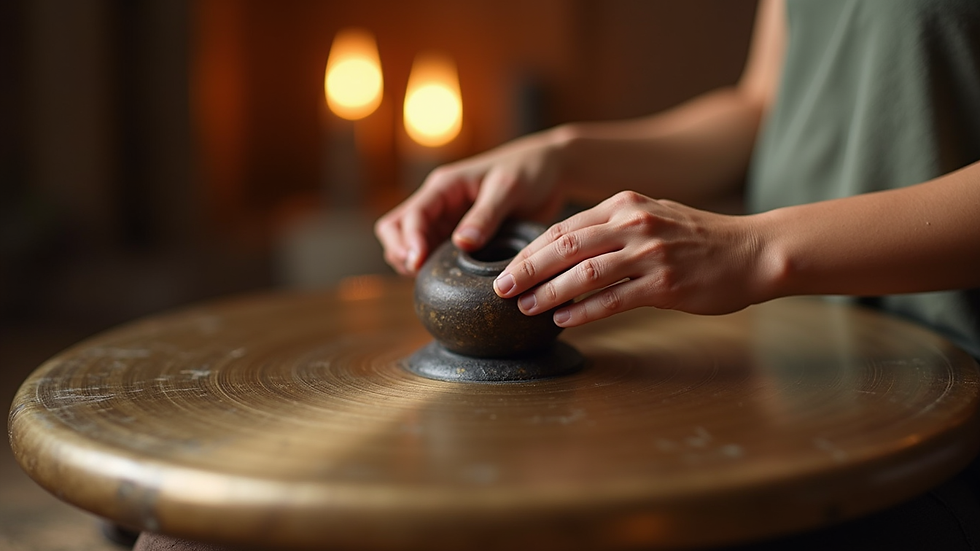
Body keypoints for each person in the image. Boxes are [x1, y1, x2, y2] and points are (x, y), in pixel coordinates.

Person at [377, 0, 980, 547]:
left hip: (954, 407)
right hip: (805, 371)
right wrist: (562, 155)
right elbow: (762, 104)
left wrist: (754, 250)